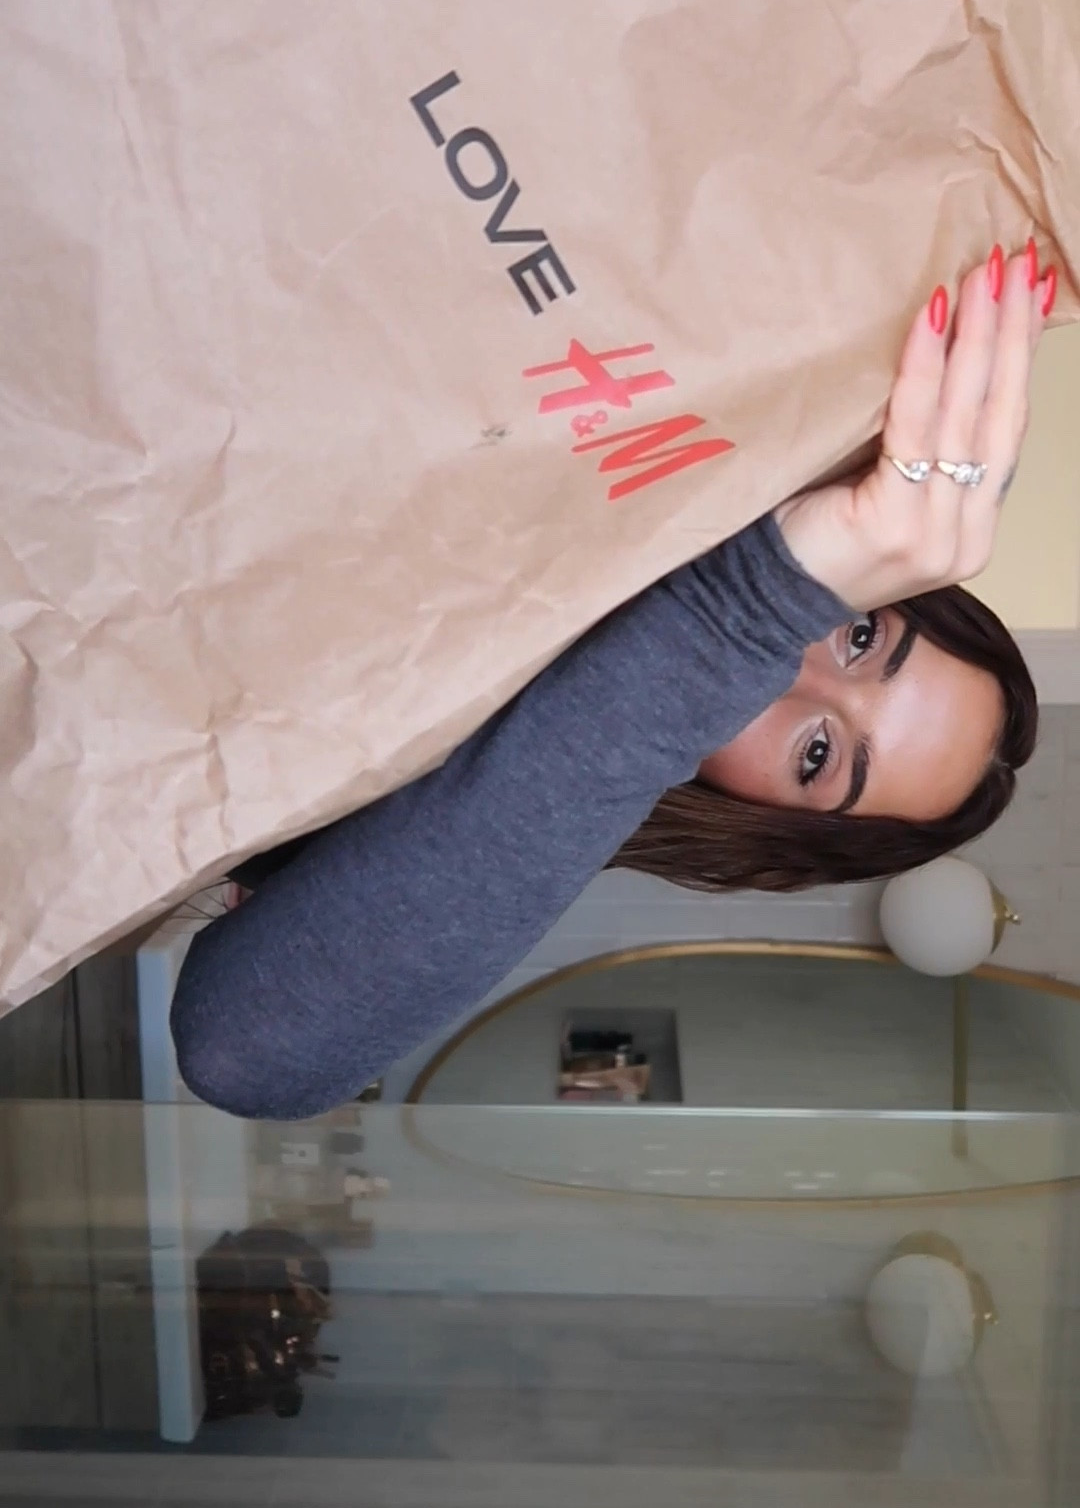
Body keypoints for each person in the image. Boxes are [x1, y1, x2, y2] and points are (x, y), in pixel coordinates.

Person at [171, 245, 1054, 1120]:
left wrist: (743, 611)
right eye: (862, 635)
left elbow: (244, 1058)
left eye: (818, 754)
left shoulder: (530, 830)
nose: (793, 671)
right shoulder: (695, 382)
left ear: (767, 820)